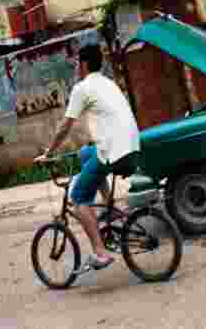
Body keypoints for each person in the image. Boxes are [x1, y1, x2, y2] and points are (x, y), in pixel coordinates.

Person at [40, 44, 140, 271]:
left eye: (77, 63)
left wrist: (49, 153)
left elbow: (65, 126)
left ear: (83, 64)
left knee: (78, 199)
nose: (77, 68)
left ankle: (101, 252)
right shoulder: (108, 83)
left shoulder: (82, 88)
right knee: (86, 153)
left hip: (113, 152)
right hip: (131, 146)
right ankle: (109, 207)